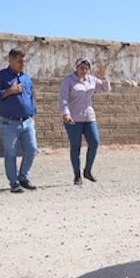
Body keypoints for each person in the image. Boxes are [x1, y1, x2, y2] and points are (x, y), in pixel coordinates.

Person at [0, 48, 39, 194]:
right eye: (19, 61)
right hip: (9, 122)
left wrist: (32, 116)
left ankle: (23, 177)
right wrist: (9, 91)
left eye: (24, 61)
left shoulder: (26, 78)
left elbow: (30, 98)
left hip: (27, 121)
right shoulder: (0, 77)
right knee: (11, 153)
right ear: (10, 61)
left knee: (32, 149)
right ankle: (14, 182)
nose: (23, 64)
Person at [59, 57, 111, 186]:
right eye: (82, 68)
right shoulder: (68, 80)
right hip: (73, 118)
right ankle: (77, 175)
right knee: (76, 146)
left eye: (87, 68)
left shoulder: (91, 80)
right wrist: (65, 113)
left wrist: (103, 77)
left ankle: (87, 170)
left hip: (88, 117)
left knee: (94, 142)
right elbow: (63, 98)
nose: (84, 71)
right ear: (76, 67)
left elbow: (105, 88)